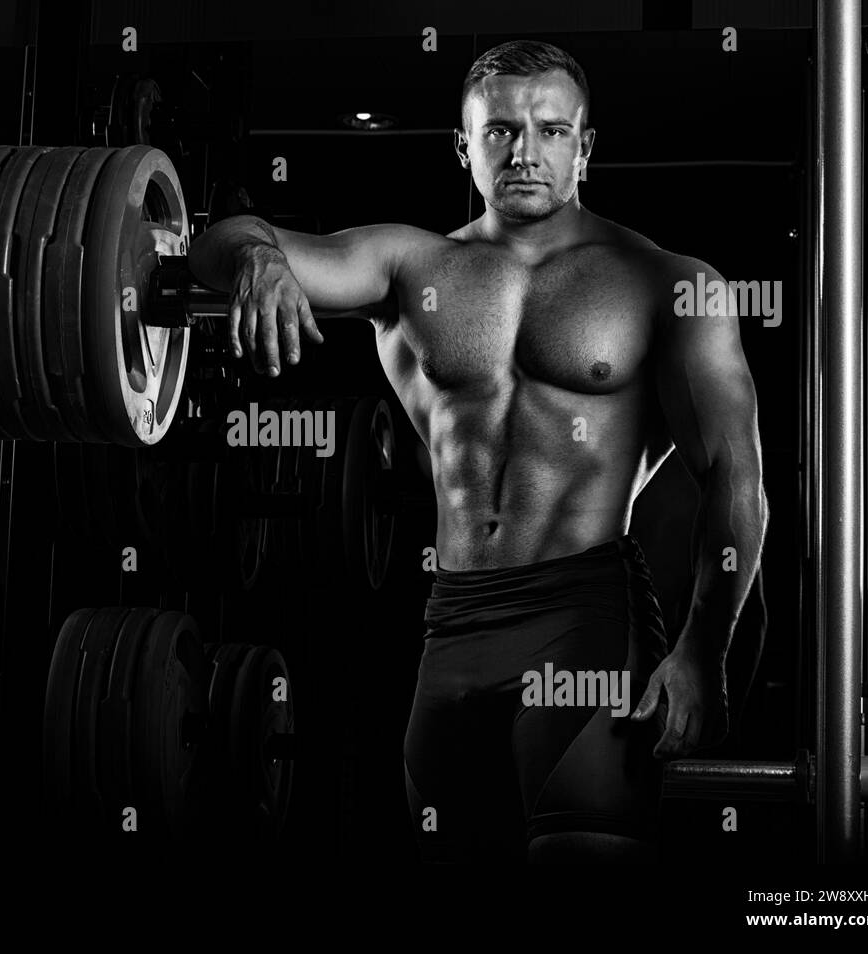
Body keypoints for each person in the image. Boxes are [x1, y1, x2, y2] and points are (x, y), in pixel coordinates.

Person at [188, 40, 768, 863]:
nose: (524, 151)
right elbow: (221, 242)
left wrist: (703, 654)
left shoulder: (668, 282)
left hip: (587, 618)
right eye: (499, 131)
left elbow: (736, 481)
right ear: (463, 147)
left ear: (585, 147)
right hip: (451, 628)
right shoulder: (409, 265)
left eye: (550, 130)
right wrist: (257, 261)